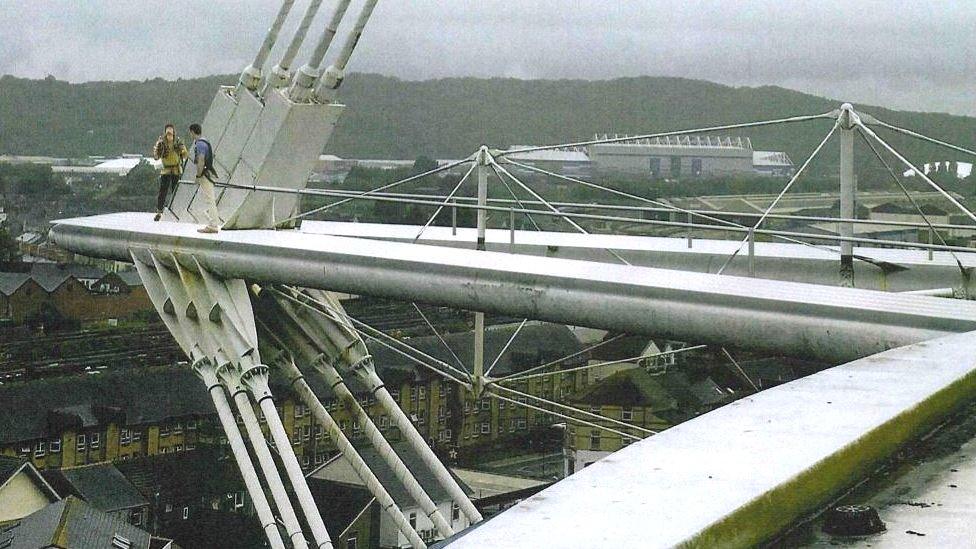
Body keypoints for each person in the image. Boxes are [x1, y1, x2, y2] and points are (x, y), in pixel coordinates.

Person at [151, 124, 188, 221]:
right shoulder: (161, 143)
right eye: (168, 133)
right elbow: (156, 157)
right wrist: (157, 148)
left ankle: (177, 211)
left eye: (171, 133)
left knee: (176, 191)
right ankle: (159, 211)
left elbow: (185, 155)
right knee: (163, 191)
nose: (169, 136)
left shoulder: (178, 142)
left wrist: (182, 150)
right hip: (166, 169)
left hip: (176, 169)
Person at [188, 123, 221, 233]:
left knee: (209, 200)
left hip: (205, 175)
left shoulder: (200, 144)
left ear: (192, 132)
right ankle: (213, 223)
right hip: (208, 173)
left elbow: (201, 160)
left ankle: (213, 225)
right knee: (210, 199)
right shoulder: (204, 142)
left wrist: (198, 175)